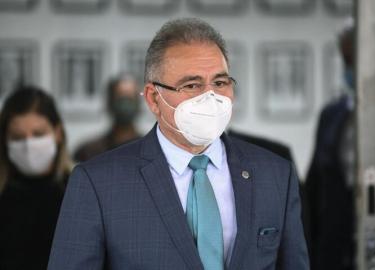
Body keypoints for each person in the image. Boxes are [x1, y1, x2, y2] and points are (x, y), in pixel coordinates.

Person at [48, 18, 309, 270]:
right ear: (153, 99)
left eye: (220, 82)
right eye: (192, 85)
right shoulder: (98, 183)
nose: (210, 96)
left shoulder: (275, 174)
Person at [0, 86, 72, 270]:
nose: (28, 144)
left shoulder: (82, 190)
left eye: (38, 134)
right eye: (17, 137)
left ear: (57, 133)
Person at [305, 24, 356, 270]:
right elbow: (315, 185)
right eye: (346, 60)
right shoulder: (332, 114)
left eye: (353, 59)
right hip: (332, 249)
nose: (350, 68)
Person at [73, 73, 141, 162]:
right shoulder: (88, 152)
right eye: (121, 99)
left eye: (130, 99)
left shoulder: (151, 150)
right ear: (109, 102)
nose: (125, 104)